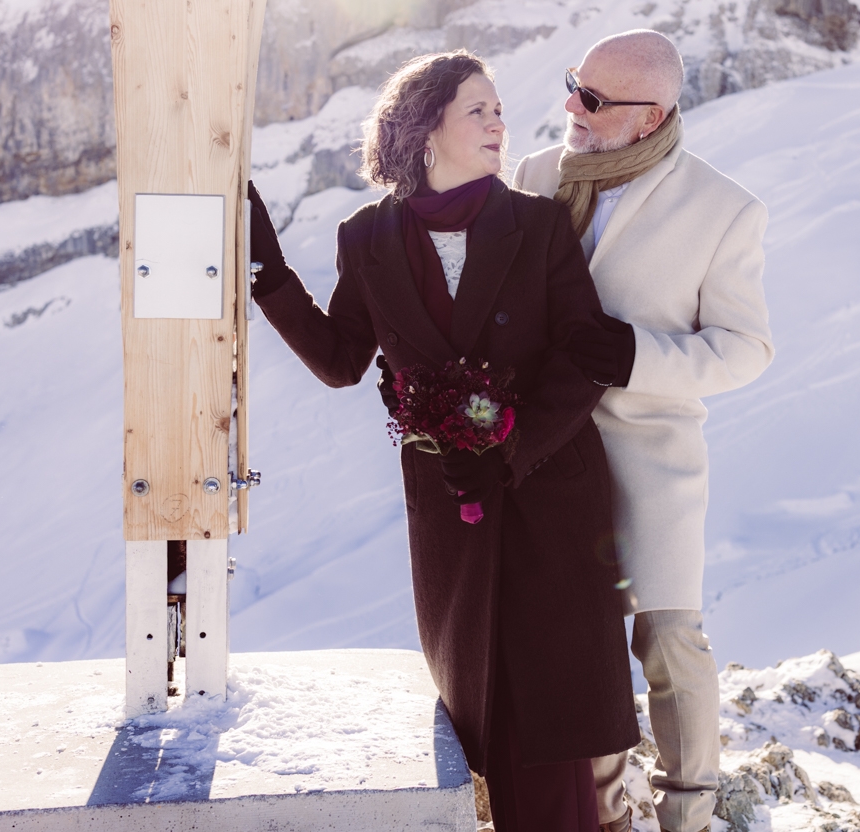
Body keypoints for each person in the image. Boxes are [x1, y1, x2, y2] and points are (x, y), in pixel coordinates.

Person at [247, 50, 639, 832]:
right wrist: (266, 269)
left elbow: (586, 352)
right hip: (447, 505)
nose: (500, 124)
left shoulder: (536, 223)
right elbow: (339, 360)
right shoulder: (368, 238)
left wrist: (506, 448)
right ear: (426, 130)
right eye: (479, 111)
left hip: (547, 493)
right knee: (483, 707)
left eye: (499, 110)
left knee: (552, 715)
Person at [512, 30, 775, 832]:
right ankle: (602, 810)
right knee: (568, 642)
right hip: (540, 455)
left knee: (669, 642)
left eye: (592, 100)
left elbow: (746, 350)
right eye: (572, 86)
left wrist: (631, 353)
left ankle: (688, 816)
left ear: (651, 114)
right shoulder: (532, 176)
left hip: (648, 457)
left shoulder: (725, 210)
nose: (570, 109)